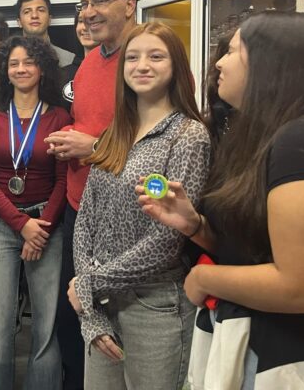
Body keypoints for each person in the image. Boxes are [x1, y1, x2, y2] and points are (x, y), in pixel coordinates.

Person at [137, 12, 304, 389]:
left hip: (286, 357)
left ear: (271, 64)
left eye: (232, 51)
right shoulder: (259, 137)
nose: (219, 64)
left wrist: (205, 277)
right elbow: (254, 250)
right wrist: (195, 225)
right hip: (249, 340)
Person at [67, 22, 211, 389]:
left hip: (155, 306)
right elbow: (86, 220)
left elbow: (167, 241)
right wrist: (91, 311)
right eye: (132, 57)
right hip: (102, 304)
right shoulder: (115, 132)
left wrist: (88, 284)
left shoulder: (188, 136)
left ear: (176, 66)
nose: (142, 65)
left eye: (156, 56)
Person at [43, 0, 137, 390]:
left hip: (127, 218)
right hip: (80, 212)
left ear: (129, 5)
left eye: (99, 1)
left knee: (118, 332)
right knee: (76, 320)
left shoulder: (147, 59)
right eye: (84, 3)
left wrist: (92, 148)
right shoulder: (88, 64)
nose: (88, 12)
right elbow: (92, 124)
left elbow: (161, 147)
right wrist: (70, 142)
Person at [0, 35, 70, 390]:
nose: (21, 69)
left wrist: (39, 229)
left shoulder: (60, 117)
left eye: (29, 62)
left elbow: (64, 180)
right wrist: (21, 225)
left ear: (42, 68)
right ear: (5, 70)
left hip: (47, 227)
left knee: (46, 326)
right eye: (13, 63)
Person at [15, 0, 73, 66]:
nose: (34, 16)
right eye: (27, 12)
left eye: (41, 10)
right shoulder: (9, 60)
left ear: (49, 19)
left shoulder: (69, 60)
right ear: (19, 22)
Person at [60, 13, 97, 105]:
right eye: (81, 21)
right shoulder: (63, 74)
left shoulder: (117, 70)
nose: (85, 27)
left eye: (92, 21)